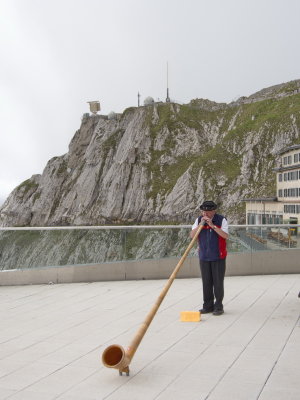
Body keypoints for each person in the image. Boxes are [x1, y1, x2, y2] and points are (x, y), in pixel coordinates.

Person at [190, 200, 229, 316]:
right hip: (204, 256)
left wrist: (212, 225)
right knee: (206, 282)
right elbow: (192, 235)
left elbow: (225, 235)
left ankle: (218, 306)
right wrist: (200, 225)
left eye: (208, 212)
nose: (205, 214)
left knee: (218, 282)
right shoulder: (198, 220)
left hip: (218, 256)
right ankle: (207, 306)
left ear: (214, 211)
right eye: (203, 211)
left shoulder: (221, 220)